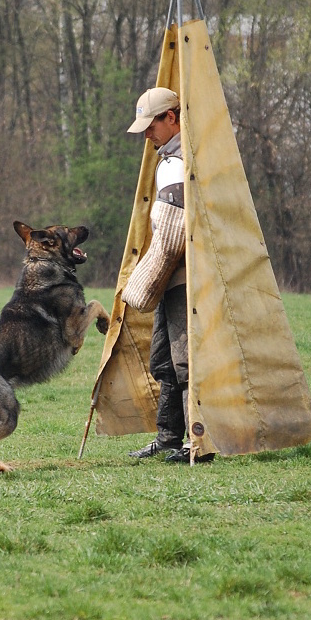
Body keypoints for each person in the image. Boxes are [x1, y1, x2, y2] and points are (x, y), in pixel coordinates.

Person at [124, 87, 214, 464]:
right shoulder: (167, 158)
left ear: (172, 118)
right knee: (162, 358)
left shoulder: (181, 161)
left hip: (183, 278)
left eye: (152, 125)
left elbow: (174, 233)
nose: (147, 134)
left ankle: (198, 444)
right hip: (169, 278)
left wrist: (146, 278)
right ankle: (166, 438)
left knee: (184, 362)